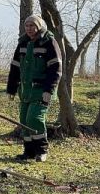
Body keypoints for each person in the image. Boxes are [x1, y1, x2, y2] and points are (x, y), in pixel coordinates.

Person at [5, 14, 62, 162]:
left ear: (39, 26)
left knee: (34, 119)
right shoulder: (23, 43)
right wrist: (11, 89)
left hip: (41, 90)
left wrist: (49, 90)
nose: (29, 29)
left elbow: (56, 68)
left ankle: (42, 150)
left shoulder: (49, 42)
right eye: (27, 26)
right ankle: (28, 152)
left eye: (32, 26)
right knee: (24, 121)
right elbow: (15, 67)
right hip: (25, 91)